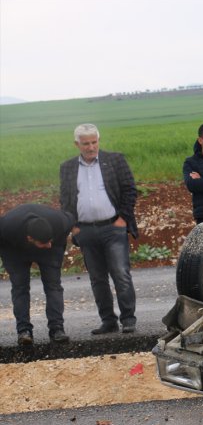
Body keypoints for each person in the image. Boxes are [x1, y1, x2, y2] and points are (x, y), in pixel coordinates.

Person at [59, 123, 138, 335]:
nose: (91, 147)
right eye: (86, 143)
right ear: (77, 144)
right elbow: (65, 200)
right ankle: (108, 321)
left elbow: (130, 190)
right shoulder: (67, 168)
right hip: (85, 231)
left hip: (113, 227)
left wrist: (123, 219)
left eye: (94, 142)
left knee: (121, 274)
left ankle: (128, 319)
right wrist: (73, 227)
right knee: (97, 279)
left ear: (98, 141)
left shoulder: (114, 160)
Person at [0, 204, 75, 345]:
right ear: (29, 238)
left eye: (49, 241)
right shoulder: (7, 227)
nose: (48, 244)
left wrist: (58, 244)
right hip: (13, 251)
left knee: (53, 286)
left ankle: (57, 329)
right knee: (20, 288)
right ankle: (24, 331)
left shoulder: (58, 221)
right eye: (44, 243)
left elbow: (72, 219)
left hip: (49, 253)